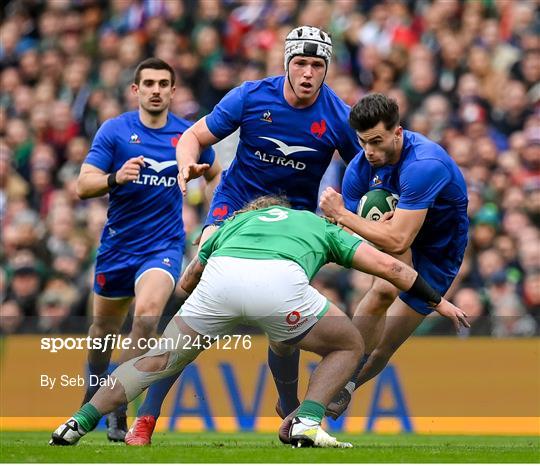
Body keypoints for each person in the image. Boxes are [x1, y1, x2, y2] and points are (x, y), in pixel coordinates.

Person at [50, 196, 469, 448]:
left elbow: (186, 281)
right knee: (348, 345)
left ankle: (78, 421)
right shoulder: (317, 224)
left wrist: (195, 318)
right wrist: (440, 302)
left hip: (219, 284)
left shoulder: (229, 224)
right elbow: (390, 268)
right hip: (278, 288)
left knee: (155, 361)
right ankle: (306, 418)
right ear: (284, 210)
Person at [125, 25, 361, 445]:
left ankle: (288, 407)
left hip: (293, 222)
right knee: (193, 309)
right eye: (301, 63)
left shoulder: (339, 116)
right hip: (232, 208)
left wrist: (353, 209)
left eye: (317, 65)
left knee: (284, 322)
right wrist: (185, 164)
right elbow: (194, 136)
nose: (308, 73)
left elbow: (364, 170)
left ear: (328, 69)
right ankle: (145, 418)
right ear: (286, 63)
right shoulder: (251, 96)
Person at [76, 57, 220, 442]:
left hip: (163, 246)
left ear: (173, 91)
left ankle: (118, 399)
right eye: (149, 83)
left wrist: (202, 192)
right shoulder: (115, 131)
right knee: (104, 331)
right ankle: (93, 391)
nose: (156, 90)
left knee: (147, 316)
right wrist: (115, 177)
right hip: (117, 246)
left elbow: (212, 173)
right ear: (135, 90)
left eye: (163, 84)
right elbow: (82, 184)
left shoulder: (188, 136)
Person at [319, 93, 469, 418]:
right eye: (362, 142)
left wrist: (343, 215)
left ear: (397, 132)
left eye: (377, 141)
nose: (369, 151)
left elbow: (399, 236)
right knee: (384, 289)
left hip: (438, 250)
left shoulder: (424, 164)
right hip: (396, 235)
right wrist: (344, 223)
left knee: (384, 348)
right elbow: (352, 232)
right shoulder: (360, 167)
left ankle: (344, 382)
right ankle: (336, 380)